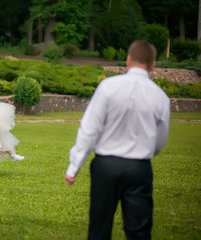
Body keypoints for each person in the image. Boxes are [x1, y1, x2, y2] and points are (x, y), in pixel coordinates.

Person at [64, 40, 170, 240]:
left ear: (128, 60)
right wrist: (145, 152)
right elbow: (160, 140)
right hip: (139, 168)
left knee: (99, 226)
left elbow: (89, 128)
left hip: (106, 166)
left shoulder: (108, 86)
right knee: (139, 230)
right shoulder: (160, 96)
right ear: (153, 64)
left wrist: (74, 166)